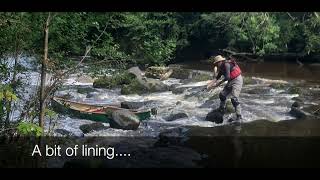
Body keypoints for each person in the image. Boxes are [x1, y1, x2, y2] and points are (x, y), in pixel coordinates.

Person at [207, 55, 243, 124]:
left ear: (220, 61)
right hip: (231, 80)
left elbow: (227, 77)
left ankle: (239, 117)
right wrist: (209, 85)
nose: (216, 65)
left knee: (234, 99)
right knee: (222, 95)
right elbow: (216, 78)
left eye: (217, 63)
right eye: (216, 64)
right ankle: (222, 108)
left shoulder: (226, 65)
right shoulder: (221, 68)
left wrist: (218, 84)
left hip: (237, 80)